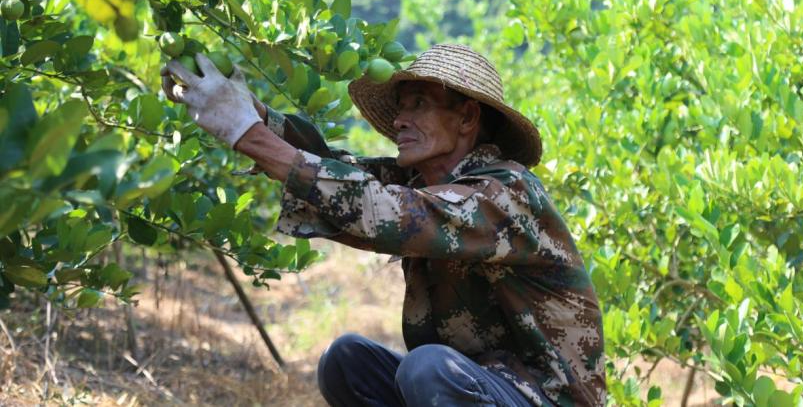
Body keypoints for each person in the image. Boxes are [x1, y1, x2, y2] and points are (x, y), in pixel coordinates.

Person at [161, 43, 606, 406]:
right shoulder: (423, 183)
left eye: (418, 105)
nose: (398, 120)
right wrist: (257, 116)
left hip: (545, 399)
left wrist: (247, 133)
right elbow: (340, 172)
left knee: (426, 366)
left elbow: (386, 212)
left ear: (468, 118)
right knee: (347, 361)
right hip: (482, 387)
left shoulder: (505, 193)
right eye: (400, 107)